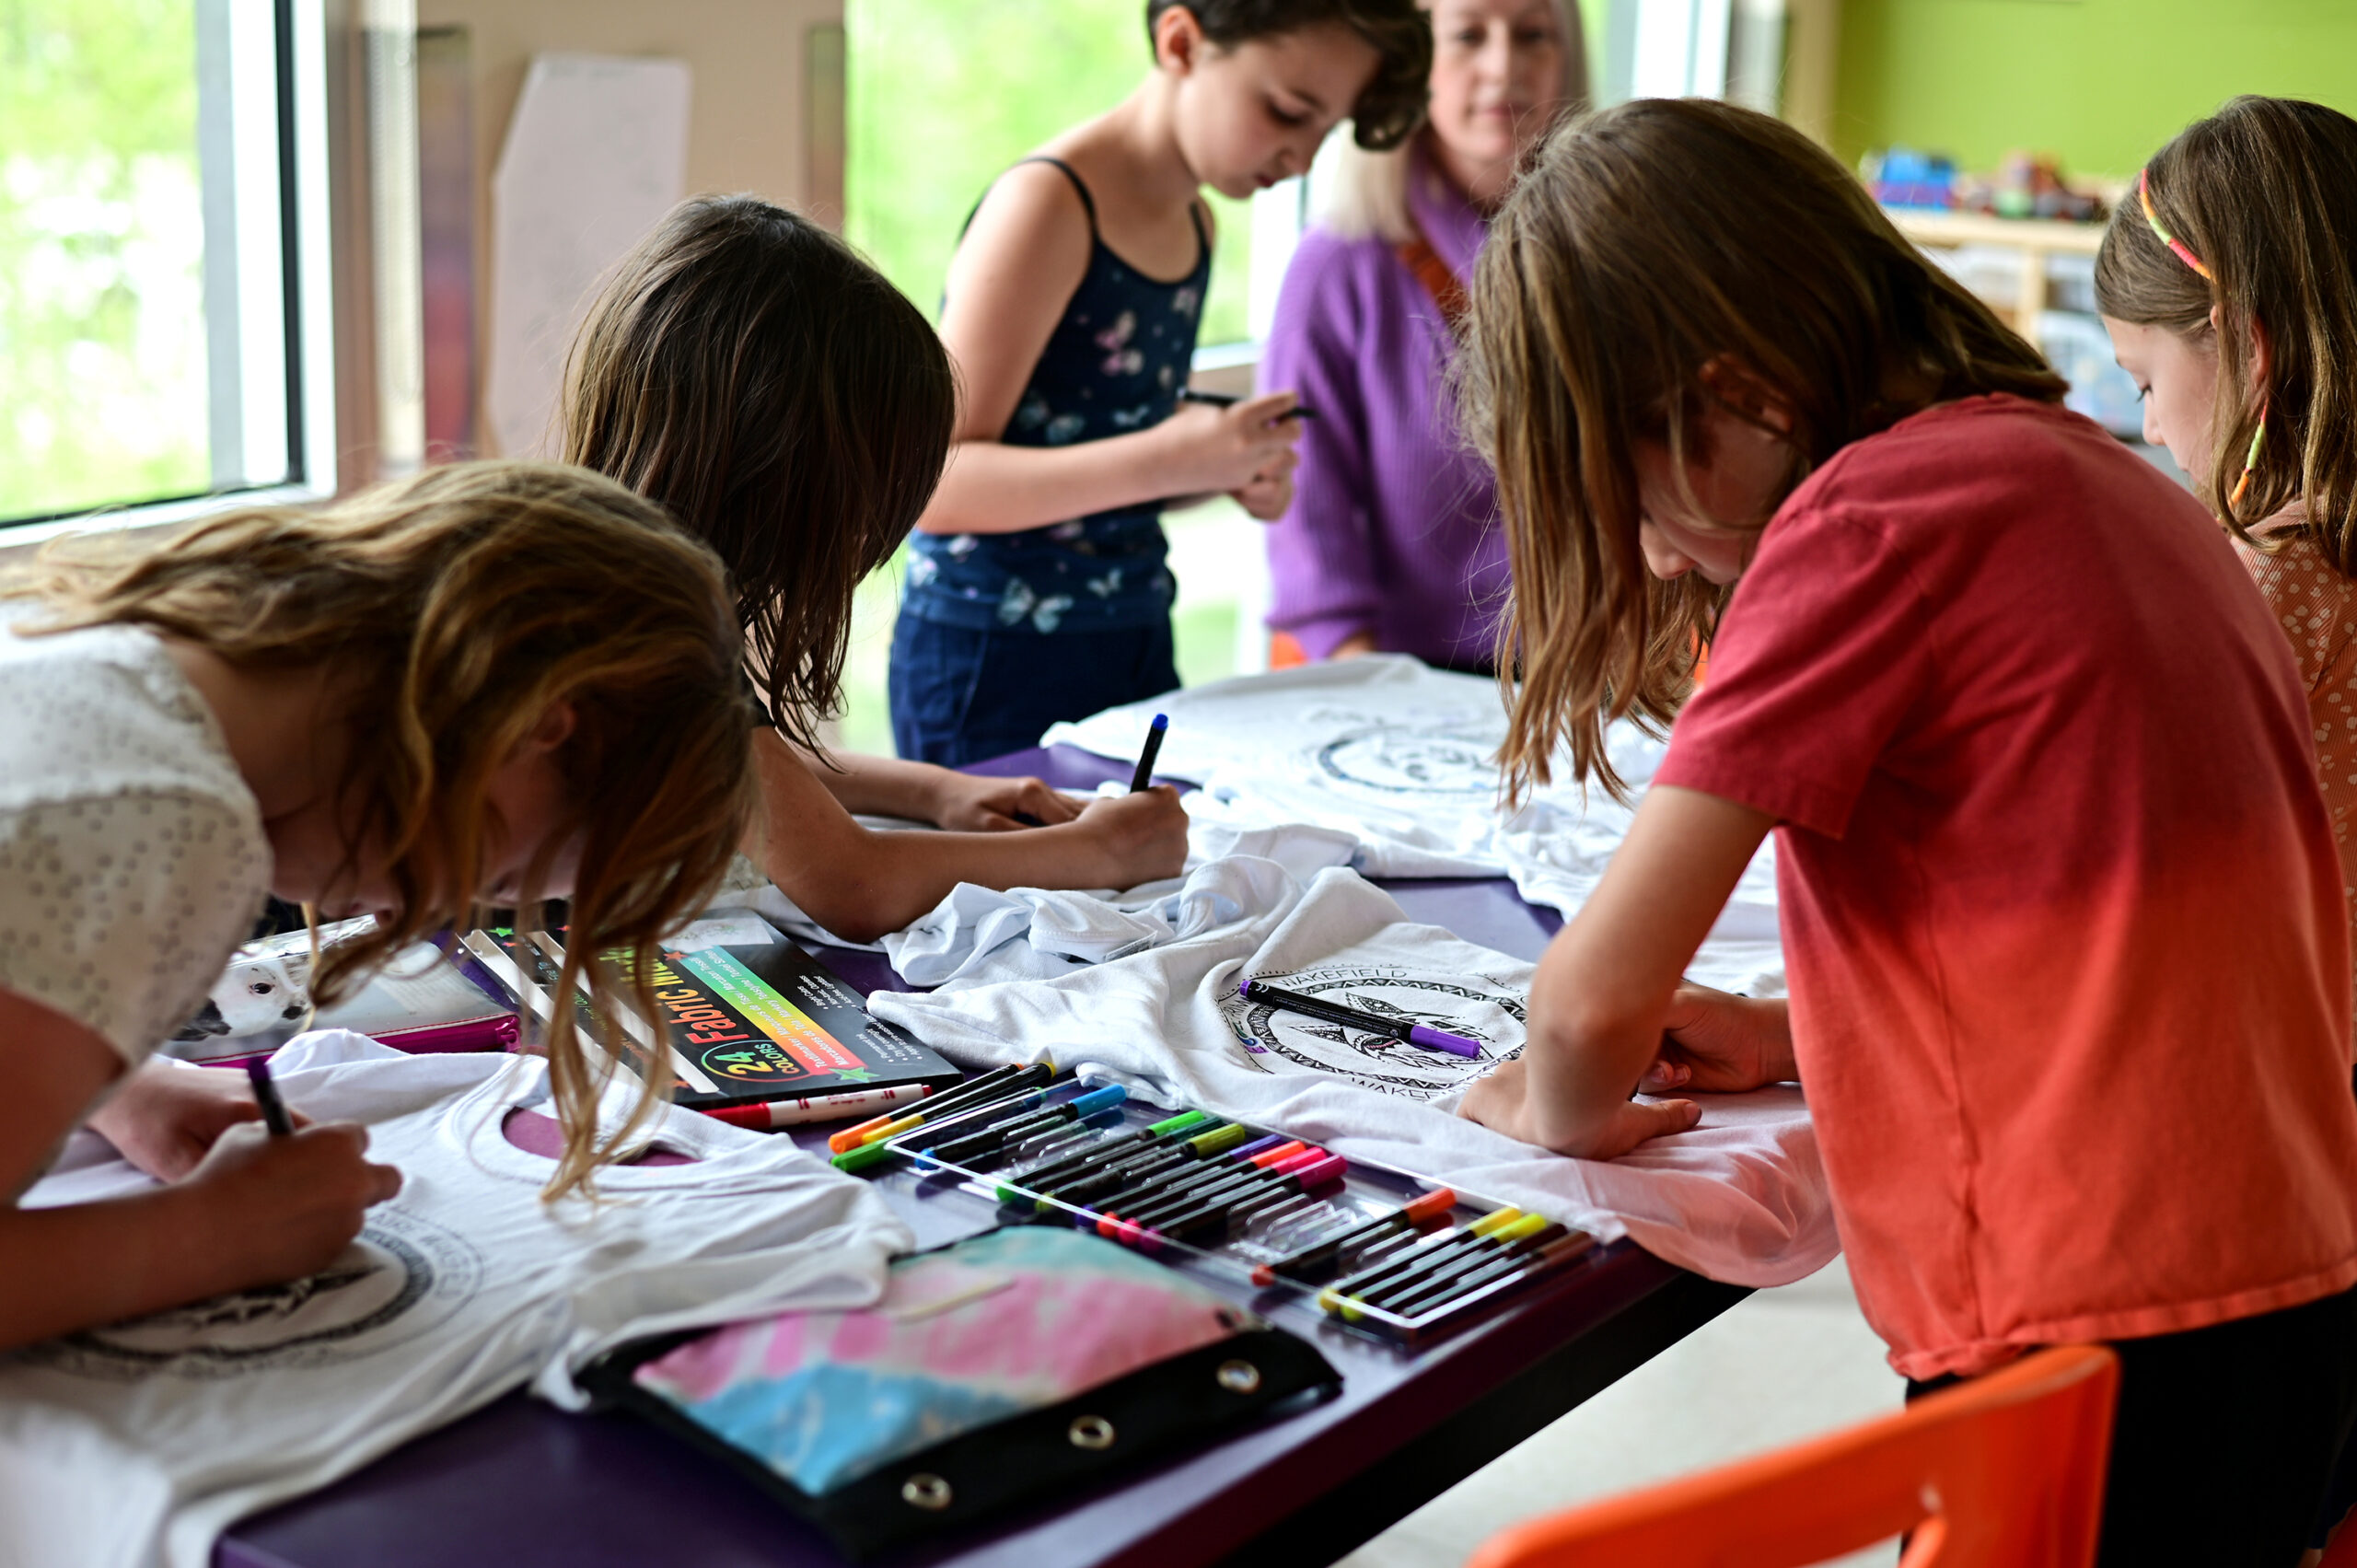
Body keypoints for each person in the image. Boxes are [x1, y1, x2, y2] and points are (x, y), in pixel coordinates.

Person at [1453, 99, 2357, 1564]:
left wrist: (1540, 1097)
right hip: (2294, 1294)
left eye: (1632, 496)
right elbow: (2107, 953)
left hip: (2095, 1328)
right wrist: (1789, 1029)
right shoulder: (2115, 479)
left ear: (1733, 401)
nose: (1645, 552)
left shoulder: (1861, 527)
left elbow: (1586, 1016)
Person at [0, 461, 760, 1352]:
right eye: (503, 880)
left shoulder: (88, 653)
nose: (439, 907)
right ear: (528, 726)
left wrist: (119, 1084)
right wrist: (211, 1238)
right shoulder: (168, 820)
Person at [564, 194, 1189, 945]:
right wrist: (1106, 851)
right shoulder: (646, 633)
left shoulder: (602, 562)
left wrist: (939, 790)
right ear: (783, 482)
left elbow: (741, 769)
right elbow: (854, 882)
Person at [890, 0, 1432, 766]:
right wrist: (1171, 460)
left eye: (1325, 131)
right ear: (1181, 42)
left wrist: (1220, 467)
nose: (1304, 158)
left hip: (1132, 634)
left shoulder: (1196, 226)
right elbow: (930, 482)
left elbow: (1105, 447)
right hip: (991, 656)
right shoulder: (1047, 205)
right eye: (1287, 111)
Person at [2097, 96, 2357, 1022]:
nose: (2152, 425)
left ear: (2246, 347)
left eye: (2145, 384)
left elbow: (2133, 839)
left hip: (2291, 1055)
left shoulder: (2282, 571)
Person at [1262, 0, 1584, 673]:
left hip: (1585, 684)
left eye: (1533, 36)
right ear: (1411, 65)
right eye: (1468, 36)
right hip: (1394, 686)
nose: (1504, 68)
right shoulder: (1337, 267)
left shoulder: (1610, 257)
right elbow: (1309, 535)